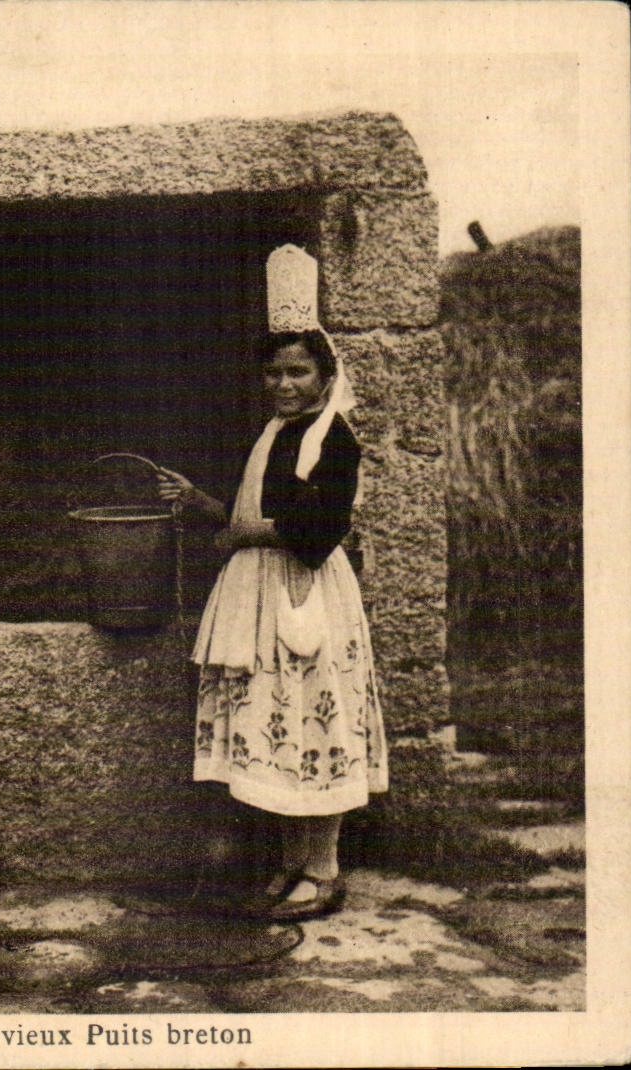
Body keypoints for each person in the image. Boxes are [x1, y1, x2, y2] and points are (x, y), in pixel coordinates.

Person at [154, 244, 386, 921]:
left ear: (322, 374)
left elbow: (315, 530)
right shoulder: (274, 433)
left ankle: (325, 869)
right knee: (277, 723)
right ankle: (292, 863)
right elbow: (257, 513)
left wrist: (238, 535)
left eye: (297, 371)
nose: (284, 384)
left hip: (304, 591)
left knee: (317, 718)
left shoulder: (331, 436)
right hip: (260, 591)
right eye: (274, 372)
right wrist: (205, 507)